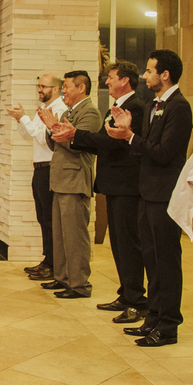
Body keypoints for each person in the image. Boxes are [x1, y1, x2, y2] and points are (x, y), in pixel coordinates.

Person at [106, 49, 192, 347]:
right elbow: (144, 148)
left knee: (166, 262)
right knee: (151, 260)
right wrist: (128, 132)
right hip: (147, 192)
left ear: (164, 74)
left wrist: (130, 137)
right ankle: (153, 317)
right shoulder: (155, 104)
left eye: (149, 70)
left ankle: (168, 325)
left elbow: (165, 153)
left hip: (165, 194)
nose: (144, 76)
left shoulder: (179, 107)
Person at [53, 61, 146, 322]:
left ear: (124, 81)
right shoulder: (115, 108)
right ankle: (126, 294)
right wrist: (74, 136)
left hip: (127, 185)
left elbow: (114, 143)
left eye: (111, 77)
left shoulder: (136, 108)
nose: (106, 82)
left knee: (129, 245)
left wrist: (76, 134)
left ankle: (136, 299)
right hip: (113, 185)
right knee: (118, 244)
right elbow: (103, 143)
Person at [37, 70, 100, 299]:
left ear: (81, 88)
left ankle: (79, 283)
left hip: (75, 180)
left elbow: (80, 144)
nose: (63, 91)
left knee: (75, 236)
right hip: (61, 181)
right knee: (61, 235)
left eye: (66, 87)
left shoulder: (89, 112)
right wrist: (50, 127)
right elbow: (56, 144)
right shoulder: (69, 112)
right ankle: (62, 277)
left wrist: (55, 127)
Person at [6, 74, 67, 280]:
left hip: (50, 168)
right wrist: (20, 119)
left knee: (50, 219)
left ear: (56, 89)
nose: (39, 90)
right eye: (38, 86)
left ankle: (53, 264)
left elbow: (42, 138)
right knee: (42, 217)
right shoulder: (43, 108)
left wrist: (24, 117)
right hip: (39, 168)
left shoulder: (59, 110)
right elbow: (27, 135)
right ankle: (47, 260)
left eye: (44, 86)